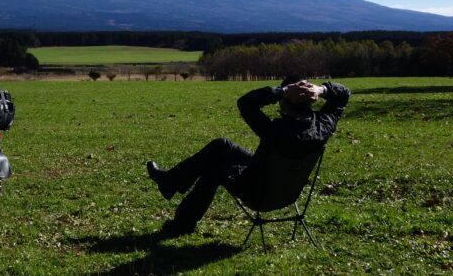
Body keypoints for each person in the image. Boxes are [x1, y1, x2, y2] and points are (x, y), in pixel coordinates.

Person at [146, 76, 351, 236]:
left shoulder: (276, 131)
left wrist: (282, 91)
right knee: (222, 145)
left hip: (259, 193)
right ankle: (169, 181)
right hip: (286, 192)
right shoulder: (324, 125)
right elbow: (343, 93)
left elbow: (246, 103)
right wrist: (322, 89)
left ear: (284, 102)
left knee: (214, 167)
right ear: (311, 100)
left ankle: (182, 222)